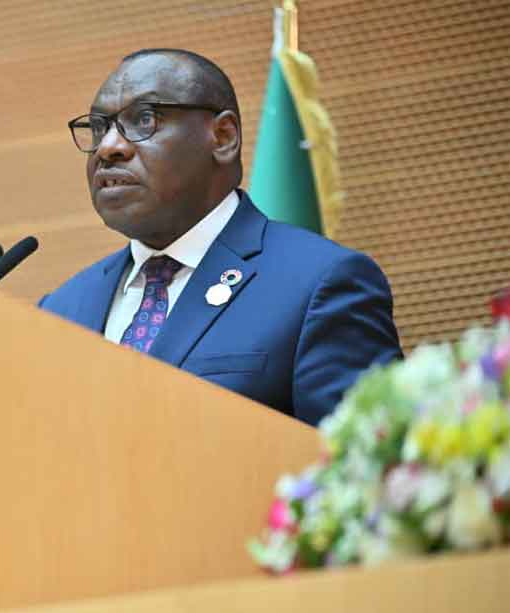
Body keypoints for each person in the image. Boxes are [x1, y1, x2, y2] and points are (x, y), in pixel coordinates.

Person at [38, 49, 402, 426]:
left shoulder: (319, 285)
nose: (108, 147)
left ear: (223, 137)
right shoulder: (60, 310)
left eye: (144, 119)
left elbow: (365, 456)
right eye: (100, 127)